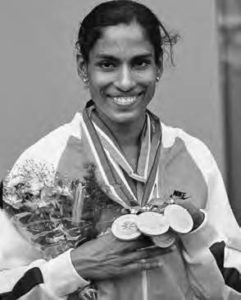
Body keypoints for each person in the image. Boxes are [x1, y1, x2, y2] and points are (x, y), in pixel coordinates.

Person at [1, 0, 241, 299]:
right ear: (83, 67)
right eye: (108, 64)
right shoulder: (43, 162)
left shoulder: (193, 155)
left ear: (158, 66)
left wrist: (198, 232)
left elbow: (233, 280)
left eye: (140, 62)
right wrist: (75, 267)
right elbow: (6, 285)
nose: (125, 82)